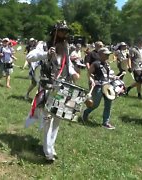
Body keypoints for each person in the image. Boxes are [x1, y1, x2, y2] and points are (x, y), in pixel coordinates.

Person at [25, 20, 79, 162]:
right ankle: (47, 150)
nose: (64, 33)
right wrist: (45, 54)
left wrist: (73, 72)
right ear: (54, 31)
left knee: (58, 118)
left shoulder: (66, 46)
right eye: (61, 30)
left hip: (63, 86)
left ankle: (51, 146)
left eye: (65, 31)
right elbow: (29, 57)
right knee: (48, 118)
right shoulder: (43, 44)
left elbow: (67, 64)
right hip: (48, 86)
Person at [82, 47, 118, 129]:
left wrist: (114, 77)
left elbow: (107, 76)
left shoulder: (107, 64)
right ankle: (85, 113)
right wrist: (91, 79)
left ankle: (105, 122)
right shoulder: (95, 64)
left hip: (107, 86)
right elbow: (89, 73)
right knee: (95, 104)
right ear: (100, 54)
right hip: (98, 86)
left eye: (108, 54)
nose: (108, 56)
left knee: (108, 104)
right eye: (106, 54)